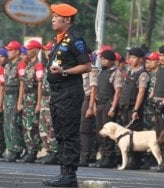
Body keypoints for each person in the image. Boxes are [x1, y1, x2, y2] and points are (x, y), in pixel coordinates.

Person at [42, 3, 91, 187]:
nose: (52, 19)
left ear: (67, 19)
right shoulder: (59, 39)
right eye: (53, 16)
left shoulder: (75, 39)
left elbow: (86, 66)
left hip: (69, 92)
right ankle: (64, 173)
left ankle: (70, 176)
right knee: (61, 133)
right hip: (58, 94)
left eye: (56, 16)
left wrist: (64, 71)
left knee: (69, 133)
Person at [118, 47, 150, 169]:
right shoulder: (130, 71)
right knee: (126, 133)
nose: (130, 60)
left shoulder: (142, 74)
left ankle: (135, 160)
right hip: (126, 106)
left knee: (135, 134)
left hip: (134, 108)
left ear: (140, 59)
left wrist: (136, 110)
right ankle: (127, 159)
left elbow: (141, 93)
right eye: (129, 57)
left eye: (133, 57)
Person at [16, 40, 44, 163]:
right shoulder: (27, 65)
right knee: (25, 125)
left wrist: (38, 103)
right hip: (26, 97)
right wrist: (20, 101)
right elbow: (22, 85)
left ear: (36, 50)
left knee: (32, 125)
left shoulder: (38, 65)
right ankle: (28, 149)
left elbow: (40, 85)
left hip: (33, 97)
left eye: (29, 48)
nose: (26, 51)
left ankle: (33, 151)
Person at [3, 41, 26, 162]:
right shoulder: (8, 65)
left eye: (10, 50)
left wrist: (20, 101)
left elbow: (22, 84)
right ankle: (10, 148)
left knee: (14, 123)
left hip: (15, 96)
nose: (8, 52)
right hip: (7, 96)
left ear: (17, 51)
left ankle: (17, 149)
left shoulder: (20, 65)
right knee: (7, 123)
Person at [37, 41, 57, 165]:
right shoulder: (47, 66)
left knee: (51, 127)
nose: (46, 52)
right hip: (44, 99)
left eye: (48, 50)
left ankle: (55, 151)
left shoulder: (56, 65)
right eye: (45, 50)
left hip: (52, 99)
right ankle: (48, 151)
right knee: (43, 127)